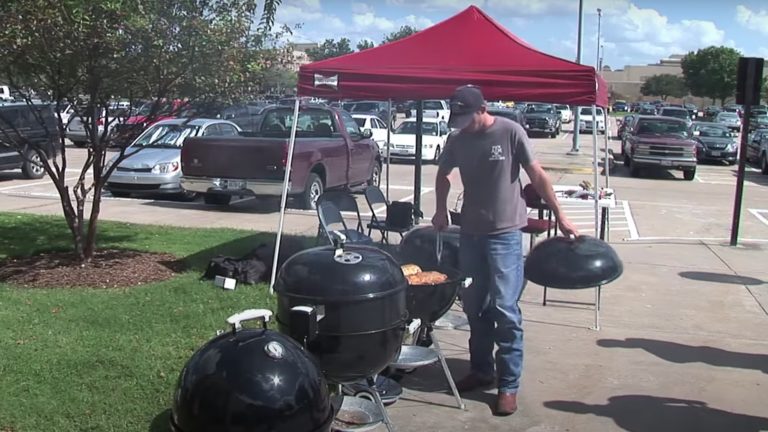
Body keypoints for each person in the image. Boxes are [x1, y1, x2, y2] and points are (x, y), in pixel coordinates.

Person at [432, 85, 579, 416]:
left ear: (483, 108)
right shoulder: (458, 140)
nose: (463, 123)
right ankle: (481, 370)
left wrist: (560, 214)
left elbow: (537, 174)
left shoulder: (510, 132)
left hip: (506, 235)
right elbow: (442, 175)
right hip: (470, 233)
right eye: (459, 118)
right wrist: (441, 208)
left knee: (504, 308)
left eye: (467, 117)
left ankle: (508, 385)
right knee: (474, 305)